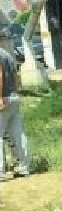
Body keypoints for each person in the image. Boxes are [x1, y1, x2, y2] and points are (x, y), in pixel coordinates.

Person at [0, 30, 30, 181]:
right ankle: (24, 166)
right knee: (18, 134)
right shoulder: (8, 56)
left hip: (3, 99)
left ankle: (1, 171)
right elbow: (16, 77)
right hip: (14, 97)